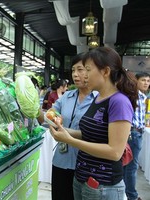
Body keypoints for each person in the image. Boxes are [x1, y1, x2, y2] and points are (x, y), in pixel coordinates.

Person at [50, 46, 138, 200]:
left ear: (105, 71)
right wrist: (65, 131)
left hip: (103, 186)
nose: (84, 76)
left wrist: (69, 140)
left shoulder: (119, 102)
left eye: (88, 70)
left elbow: (115, 152)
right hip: (83, 180)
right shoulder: (98, 99)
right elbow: (90, 135)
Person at [51, 53, 98, 200]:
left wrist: (66, 133)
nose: (75, 75)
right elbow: (52, 113)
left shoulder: (100, 99)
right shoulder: (67, 96)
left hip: (86, 164)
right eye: (73, 70)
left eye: (80, 70)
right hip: (61, 160)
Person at [124, 72, 150, 200]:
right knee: (131, 167)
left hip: (138, 132)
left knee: (128, 165)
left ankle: (127, 193)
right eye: (143, 80)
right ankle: (132, 196)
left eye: (148, 81)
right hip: (133, 134)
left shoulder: (144, 97)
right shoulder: (133, 96)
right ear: (136, 81)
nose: (146, 83)